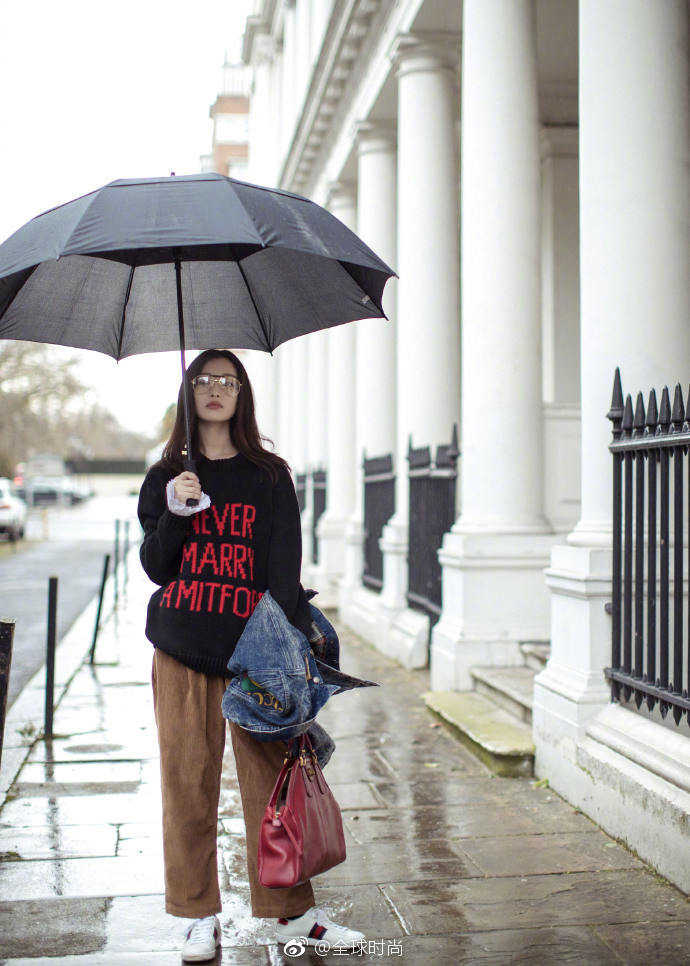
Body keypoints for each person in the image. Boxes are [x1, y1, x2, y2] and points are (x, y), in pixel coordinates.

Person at [137, 349, 364, 962]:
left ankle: (294, 915)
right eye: (204, 380)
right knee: (187, 786)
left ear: (242, 395)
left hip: (253, 653)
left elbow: (283, 572)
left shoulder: (269, 475)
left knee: (275, 788)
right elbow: (157, 567)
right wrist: (178, 515)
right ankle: (195, 916)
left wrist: (281, 650)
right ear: (189, 393)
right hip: (182, 650)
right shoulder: (165, 478)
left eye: (228, 381)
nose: (216, 389)